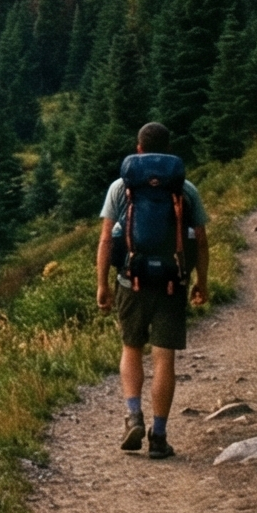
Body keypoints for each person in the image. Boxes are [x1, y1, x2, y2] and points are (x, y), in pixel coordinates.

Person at [94, 121, 210, 459]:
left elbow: (105, 239)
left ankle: (133, 414)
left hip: (132, 280)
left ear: (138, 148)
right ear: (168, 149)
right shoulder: (184, 188)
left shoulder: (122, 185)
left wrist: (103, 284)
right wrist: (201, 282)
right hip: (173, 283)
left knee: (131, 348)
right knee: (164, 359)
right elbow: (200, 241)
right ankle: (158, 436)